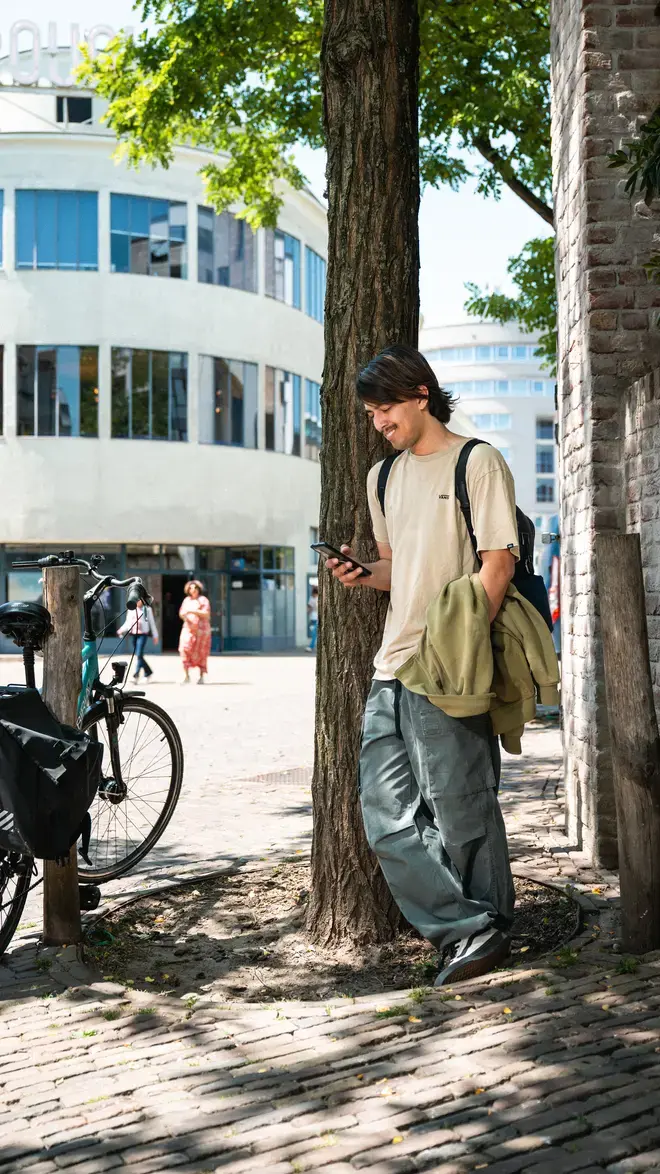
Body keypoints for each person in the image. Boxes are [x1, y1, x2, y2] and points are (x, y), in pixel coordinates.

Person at [328, 344, 519, 986]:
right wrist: (362, 575)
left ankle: (490, 928)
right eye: (371, 413)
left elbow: (497, 563)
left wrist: (459, 649)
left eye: (385, 407)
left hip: (451, 659)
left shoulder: (478, 462)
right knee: (385, 816)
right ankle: (468, 929)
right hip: (392, 664)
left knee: (461, 805)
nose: (379, 421)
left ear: (420, 394)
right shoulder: (382, 477)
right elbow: (395, 568)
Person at [117, 599, 159, 683]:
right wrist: (121, 629)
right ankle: (148, 672)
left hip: (143, 634)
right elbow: (128, 622)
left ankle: (135, 676)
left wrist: (155, 635)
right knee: (139, 656)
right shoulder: (131, 609)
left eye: (139, 600)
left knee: (139, 654)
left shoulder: (147, 609)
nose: (138, 602)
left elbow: (152, 623)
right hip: (133, 634)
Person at [179, 580, 212, 684]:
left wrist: (192, 611)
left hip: (201, 631)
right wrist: (185, 616)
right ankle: (186, 676)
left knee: (201, 653)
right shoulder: (186, 600)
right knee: (184, 649)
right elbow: (181, 613)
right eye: (191, 588)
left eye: (195, 588)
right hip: (188, 629)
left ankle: (201, 676)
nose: (193, 590)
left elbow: (206, 614)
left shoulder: (203, 600)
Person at [307, 586, 319, 652]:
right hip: (312, 618)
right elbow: (308, 607)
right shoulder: (311, 598)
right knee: (314, 633)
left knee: (314, 633)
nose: (314, 595)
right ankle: (312, 646)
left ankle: (311, 646)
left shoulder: (318, 598)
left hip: (317, 618)